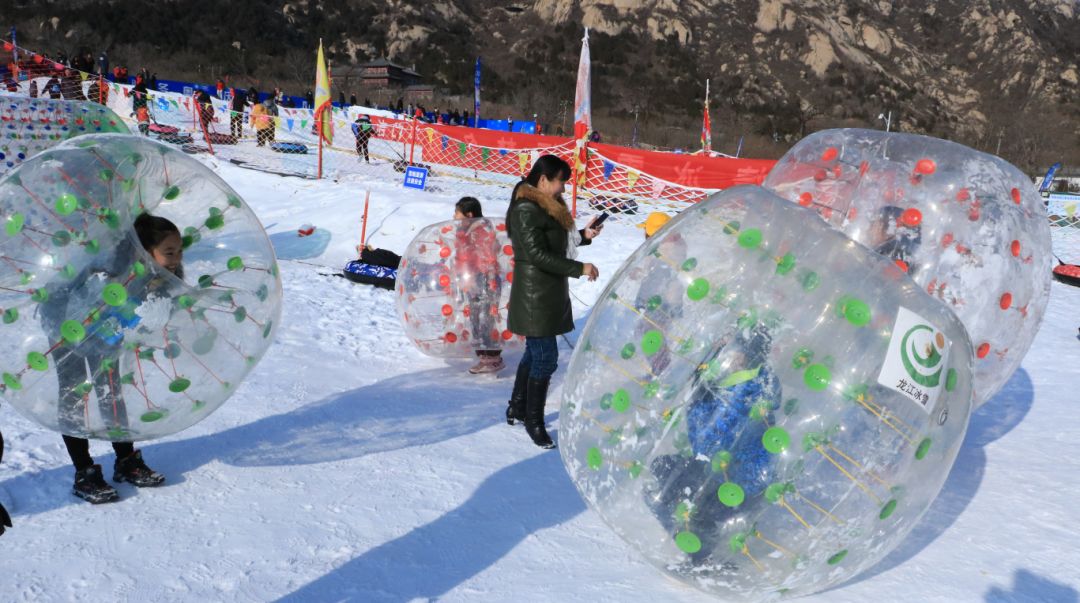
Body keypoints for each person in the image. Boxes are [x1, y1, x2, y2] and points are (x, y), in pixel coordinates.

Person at [42, 214, 182, 503]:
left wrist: (152, 297)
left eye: (180, 251)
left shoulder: (159, 278)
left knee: (110, 389)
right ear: (143, 250)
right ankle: (84, 472)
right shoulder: (107, 266)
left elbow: (147, 323)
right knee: (74, 391)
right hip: (64, 320)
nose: (176, 259)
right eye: (169, 252)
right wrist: (116, 288)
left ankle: (126, 459)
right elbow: (80, 297)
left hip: (106, 329)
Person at [647, 325, 779, 564]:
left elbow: (709, 443)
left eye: (740, 352)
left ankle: (703, 554)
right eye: (732, 350)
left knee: (673, 493)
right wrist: (702, 376)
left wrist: (699, 399)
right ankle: (699, 536)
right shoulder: (739, 381)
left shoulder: (748, 391)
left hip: (738, 481)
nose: (732, 357)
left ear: (753, 356)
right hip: (724, 470)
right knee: (662, 469)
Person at [504, 155, 602, 448]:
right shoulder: (525, 208)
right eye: (560, 182)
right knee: (546, 358)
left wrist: (584, 236)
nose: (562, 188)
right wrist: (579, 268)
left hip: (547, 292)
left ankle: (518, 407)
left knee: (535, 354)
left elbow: (555, 242)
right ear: (544, 180)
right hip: (534, 296)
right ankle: (533, 421)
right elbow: (536, 254)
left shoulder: (546, 206)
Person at [452, 197, 506, 375]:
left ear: (469, 214)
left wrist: (485, 282)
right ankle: (485, 357)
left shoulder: (481, 231)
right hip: (474, 281)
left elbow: (487, 258)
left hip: (485, 281)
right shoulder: (465, 230)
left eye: (457, 213)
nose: (453, 217)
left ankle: (493, 358)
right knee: (476, 318)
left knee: (485, 319)